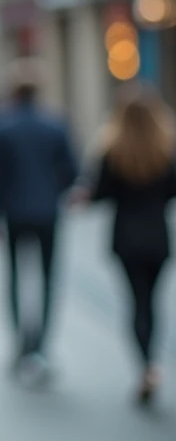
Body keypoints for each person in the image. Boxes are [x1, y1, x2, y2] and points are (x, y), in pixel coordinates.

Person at [72, 87, 176, 406]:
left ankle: (146, 365)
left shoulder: (113, 151)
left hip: (126, 237)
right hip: (157, 236)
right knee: (152, 302)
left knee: (136, 302)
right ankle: (151, 363)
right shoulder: (166, 151)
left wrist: (83, 198)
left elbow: (100, 193)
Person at [0, 64, 79, 385]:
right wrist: (55, 193)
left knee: (14, 278)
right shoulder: (55, 125)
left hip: (14, 212)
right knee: (48, 279)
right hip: (47, 212)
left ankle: (20, 343)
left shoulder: (2, 127)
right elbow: (71, 171)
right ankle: (41, 345)